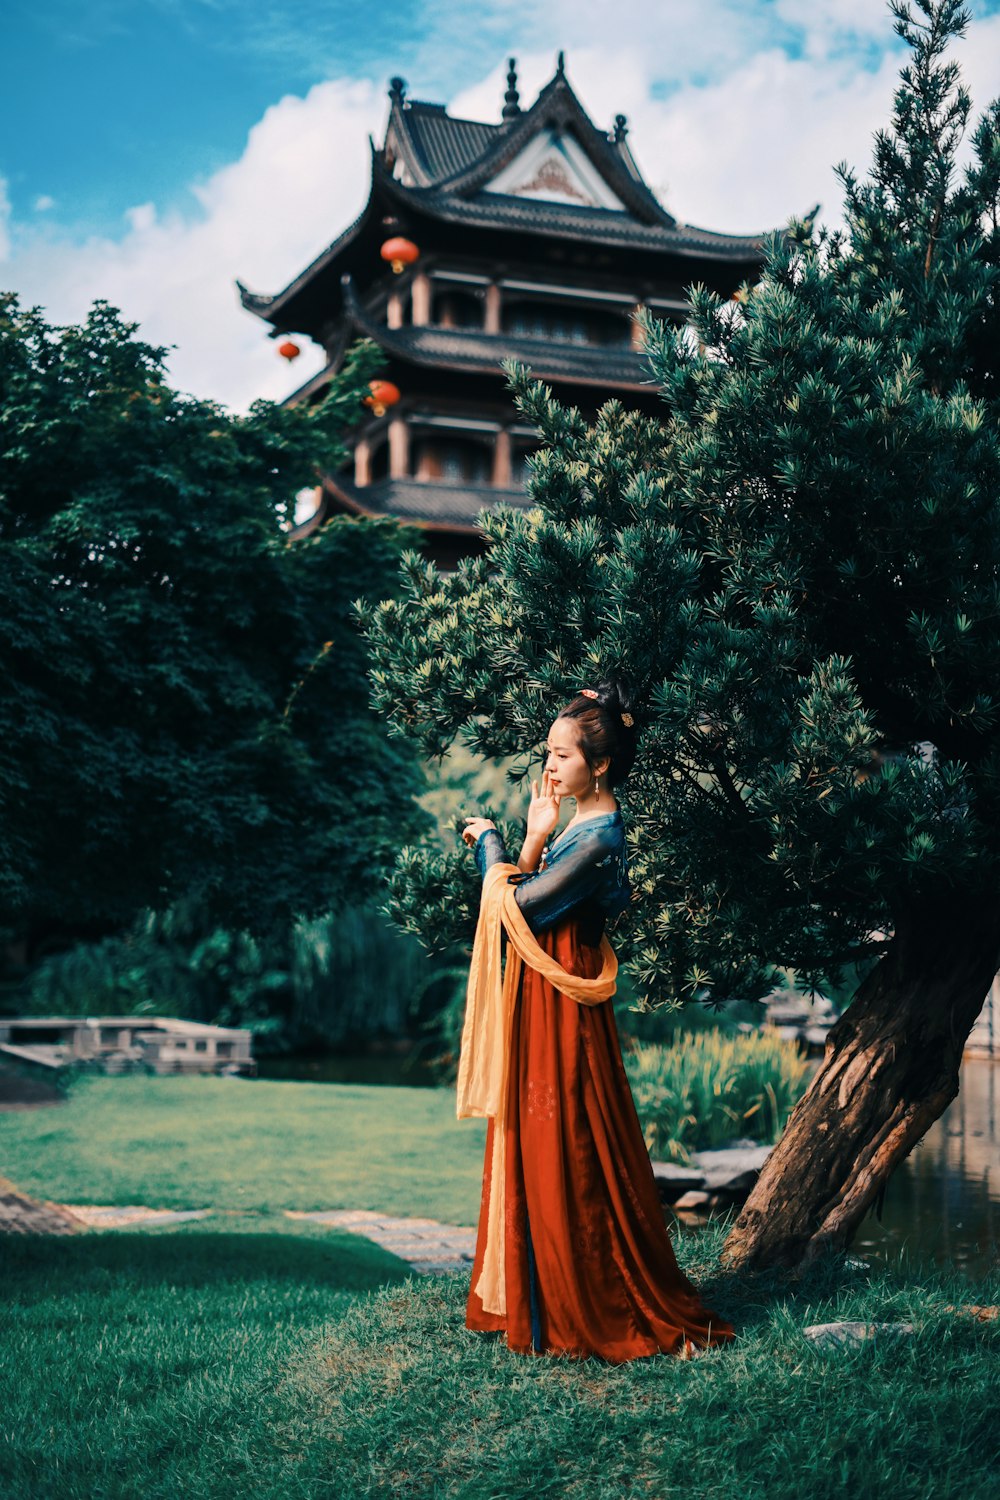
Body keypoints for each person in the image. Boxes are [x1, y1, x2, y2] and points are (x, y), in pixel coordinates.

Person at [459, 680, 735, 1363]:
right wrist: (530, 837)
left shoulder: (600, 837)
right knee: (539, 1134)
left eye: (562, 755)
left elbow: (516, 911)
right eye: (546, 753)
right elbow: (526, 895)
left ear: (600, 763)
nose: (549, 767)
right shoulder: (573, 826)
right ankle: (542, 1290)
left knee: (570, 1141)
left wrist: (488, 842)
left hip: (564, 1008)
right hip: (545, 993)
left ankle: (583, 1293)